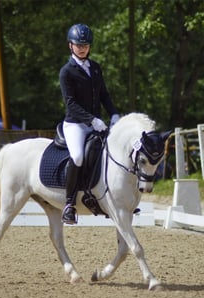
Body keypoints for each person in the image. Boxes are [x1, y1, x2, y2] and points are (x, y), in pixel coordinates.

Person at [59, 23, 120, 225]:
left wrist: (114, 113)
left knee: (113, 153)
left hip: (98, 124)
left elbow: (104, 94)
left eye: (86, 45)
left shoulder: (95, 68)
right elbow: (71, 104)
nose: (83, 48)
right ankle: (69, 204)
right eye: (79, 45)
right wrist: (92, 120)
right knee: (77, 157)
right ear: (70, 45)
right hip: (76, 124)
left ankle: (112, 199)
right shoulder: (67, 72)